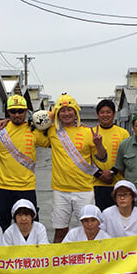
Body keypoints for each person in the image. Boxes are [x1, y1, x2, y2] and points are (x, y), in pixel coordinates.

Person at [41, 93, 108, 243]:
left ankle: (88, 262)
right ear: (57, 113)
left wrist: (99, 144)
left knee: (89, 230)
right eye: (62, 111)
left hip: (84, 190)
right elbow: (35, 123)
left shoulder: (87, 132)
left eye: (69, 110)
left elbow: (102, 157)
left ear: (76, 111)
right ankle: (58, 263)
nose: (66, 114)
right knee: (60, 231)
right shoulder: (52, 131)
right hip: (60, 190)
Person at [0, 95, 47, 231]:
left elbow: (52, 140)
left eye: (20, 111)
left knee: (29, 229)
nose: (17, 114)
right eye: (13, 111)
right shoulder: (0, 130)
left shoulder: (33, 129)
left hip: (26, 188)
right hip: (2, 188)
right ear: (8, 113)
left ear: (26, 111)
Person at [91, 99, 130, 210]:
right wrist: (99, 175)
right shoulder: (91, 133)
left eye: (108, 112)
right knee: (100, 219)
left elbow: (126, 157)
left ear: (113, 114)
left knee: (118, 218)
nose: (105, 115)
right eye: (102, 112)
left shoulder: (123, 133)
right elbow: (87, 159)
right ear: (98, 115)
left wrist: (112, 172)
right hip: (96, 184)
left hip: (118, 183)